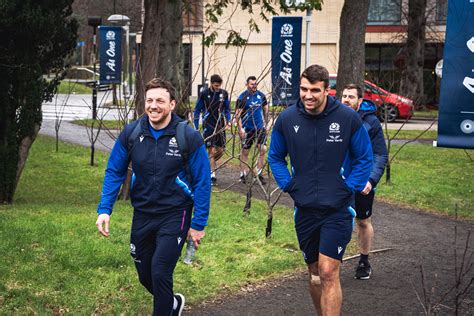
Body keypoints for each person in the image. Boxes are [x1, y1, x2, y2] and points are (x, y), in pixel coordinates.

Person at [95, 78, 211, 316]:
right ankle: (172, 304)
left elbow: (202, 182)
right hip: (143, 213)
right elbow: (115, 170)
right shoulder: (132, 132)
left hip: (175, 213)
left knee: (160, 270)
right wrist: (105, 209)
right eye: (149, 100)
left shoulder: (188, 137)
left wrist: (198, 224)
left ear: (172, 104)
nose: (154, 106)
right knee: (144, 272)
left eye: (160, 100)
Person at [268, 64, 373, 315]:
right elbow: (275, 157)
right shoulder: (287, 119)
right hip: (304, 209)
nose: (308, 95)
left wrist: (348, 187)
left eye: (314, 90)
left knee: (328, 271)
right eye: (304, 89)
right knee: (315, 274)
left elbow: (364, 159)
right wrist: (289, 185)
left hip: (337, 208)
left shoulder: (347, 119)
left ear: (327, 90)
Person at [341, 84, 388, 280]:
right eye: (343, 96)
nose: (346, 100)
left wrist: (371, 179)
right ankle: (331, 259)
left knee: (362, 222)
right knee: (334, 220)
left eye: (351, 97)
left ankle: (364, 261)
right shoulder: (333, 118)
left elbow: (380, 154)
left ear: (360, 101)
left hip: (362, 183)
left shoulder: (371, 123)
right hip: (339, 181)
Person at [193, 74, 231, 186]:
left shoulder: (224, 94)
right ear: (211, 83)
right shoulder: (204, 94)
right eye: (216, 86)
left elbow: (227, 109)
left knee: (220, 150)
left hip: (220, 124)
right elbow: (197, 110)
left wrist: (228, 120)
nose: (218, 88)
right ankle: (211, 175)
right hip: (208, 124)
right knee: (211, 150)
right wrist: (196, 126)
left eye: (219, 86)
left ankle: (205, 164)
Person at [235, 76, 269, 184]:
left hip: (259, 128)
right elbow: (237, 115)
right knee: (245, 151)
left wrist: (266, 124)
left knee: (262, 149)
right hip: (247, 128)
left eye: (255, 84)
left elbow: (266, 110)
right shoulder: (242, 97)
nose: (254, 86)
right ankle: (243, 174)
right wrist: (240, 129)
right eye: (252, 84)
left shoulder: (261, 96)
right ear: (247, 84)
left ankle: (258, 174)